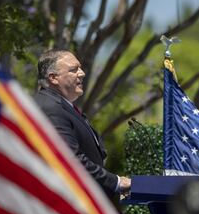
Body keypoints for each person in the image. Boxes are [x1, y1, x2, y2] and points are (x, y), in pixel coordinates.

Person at [34, 49, 131, 199]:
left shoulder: (62, 105)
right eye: (73, 70)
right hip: (70, 203)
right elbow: (70, 158)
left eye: (79, 68)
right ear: (53, 78)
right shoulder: (51, 107)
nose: (82, 73)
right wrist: (116, 182)